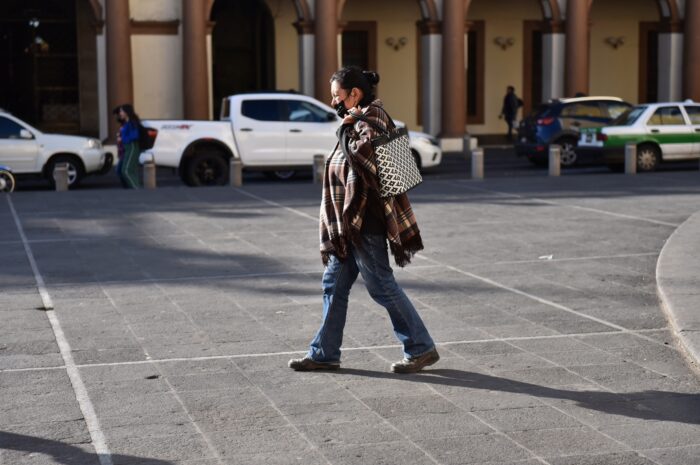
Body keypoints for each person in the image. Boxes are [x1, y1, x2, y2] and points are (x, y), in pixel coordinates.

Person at [288, 66, 439, 374]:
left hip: (366, 222)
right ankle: (324, 352)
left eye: (336, 96)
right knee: (333, 284)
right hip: (349, 226)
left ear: (354, 94)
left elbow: (364, 162)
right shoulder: (358, 121)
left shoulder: (371, 120)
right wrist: (346, 128)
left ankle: (421, 347)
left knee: (381, 286)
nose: (333, 102)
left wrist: (345, 130)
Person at [116, 104, 142, 189]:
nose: (120, 113)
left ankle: (136, 188)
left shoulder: (132, 123)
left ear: (127, 112)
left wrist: (122, 139)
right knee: (127, 170)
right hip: (127, 148)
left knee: (126, 170)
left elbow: (135, 135)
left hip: (132, 147)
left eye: (121, 111)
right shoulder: (127, 123)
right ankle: (132, 188)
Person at [112, 106, 128, 188]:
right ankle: (127, 186)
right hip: (122, 151)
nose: (117, 118)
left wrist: (121, 138)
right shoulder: (122, 125)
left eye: (117, 115)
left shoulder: (126, 124)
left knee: (120, 170)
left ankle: (127, 186)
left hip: (125, 151)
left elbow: (127, 137)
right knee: (121, 170)